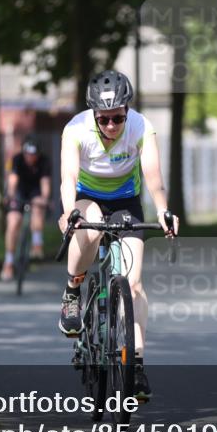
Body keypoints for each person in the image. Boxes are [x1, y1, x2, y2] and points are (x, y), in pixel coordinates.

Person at [57, 69, 177, 401]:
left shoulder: (140, 127)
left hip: (126, 202)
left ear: (128, 112)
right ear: (93, 115)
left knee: (134, 283)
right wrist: (70, 212)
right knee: (90, 221)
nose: (111, 126)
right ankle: (73, 290)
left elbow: (153, 176)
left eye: (118, 118)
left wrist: (164, 210)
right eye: (104, 119)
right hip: (87, 199)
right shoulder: (76, 130)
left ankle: (135, 364)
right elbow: (68, 176)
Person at [0, 135, 51, 281]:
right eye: (28, 154)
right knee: (13, 221)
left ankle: (36, 243)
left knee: (38, 206)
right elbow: (12, 181)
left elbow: (45, 183)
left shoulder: (44, 162)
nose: (30, 158)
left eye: (33, 155)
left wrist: (45, 199)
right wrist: (10, 196)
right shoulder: (17, 159)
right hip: (20, 192)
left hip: (35, 191)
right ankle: (8, 261)